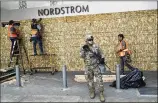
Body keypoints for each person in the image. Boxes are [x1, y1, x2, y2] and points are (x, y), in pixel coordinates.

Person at [80, 34, 105, 102]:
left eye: (91, 39)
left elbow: (102, 53)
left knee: (99, 80)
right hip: (88, 67)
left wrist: (102, 59)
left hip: (96, 66)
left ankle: (101, 93)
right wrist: (83, 50)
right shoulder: (83, 47)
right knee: (90, 81)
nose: (91, 41)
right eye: (89, 40)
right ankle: (92, 92)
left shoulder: (96, 46)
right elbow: (81, 56)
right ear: (86, 40)